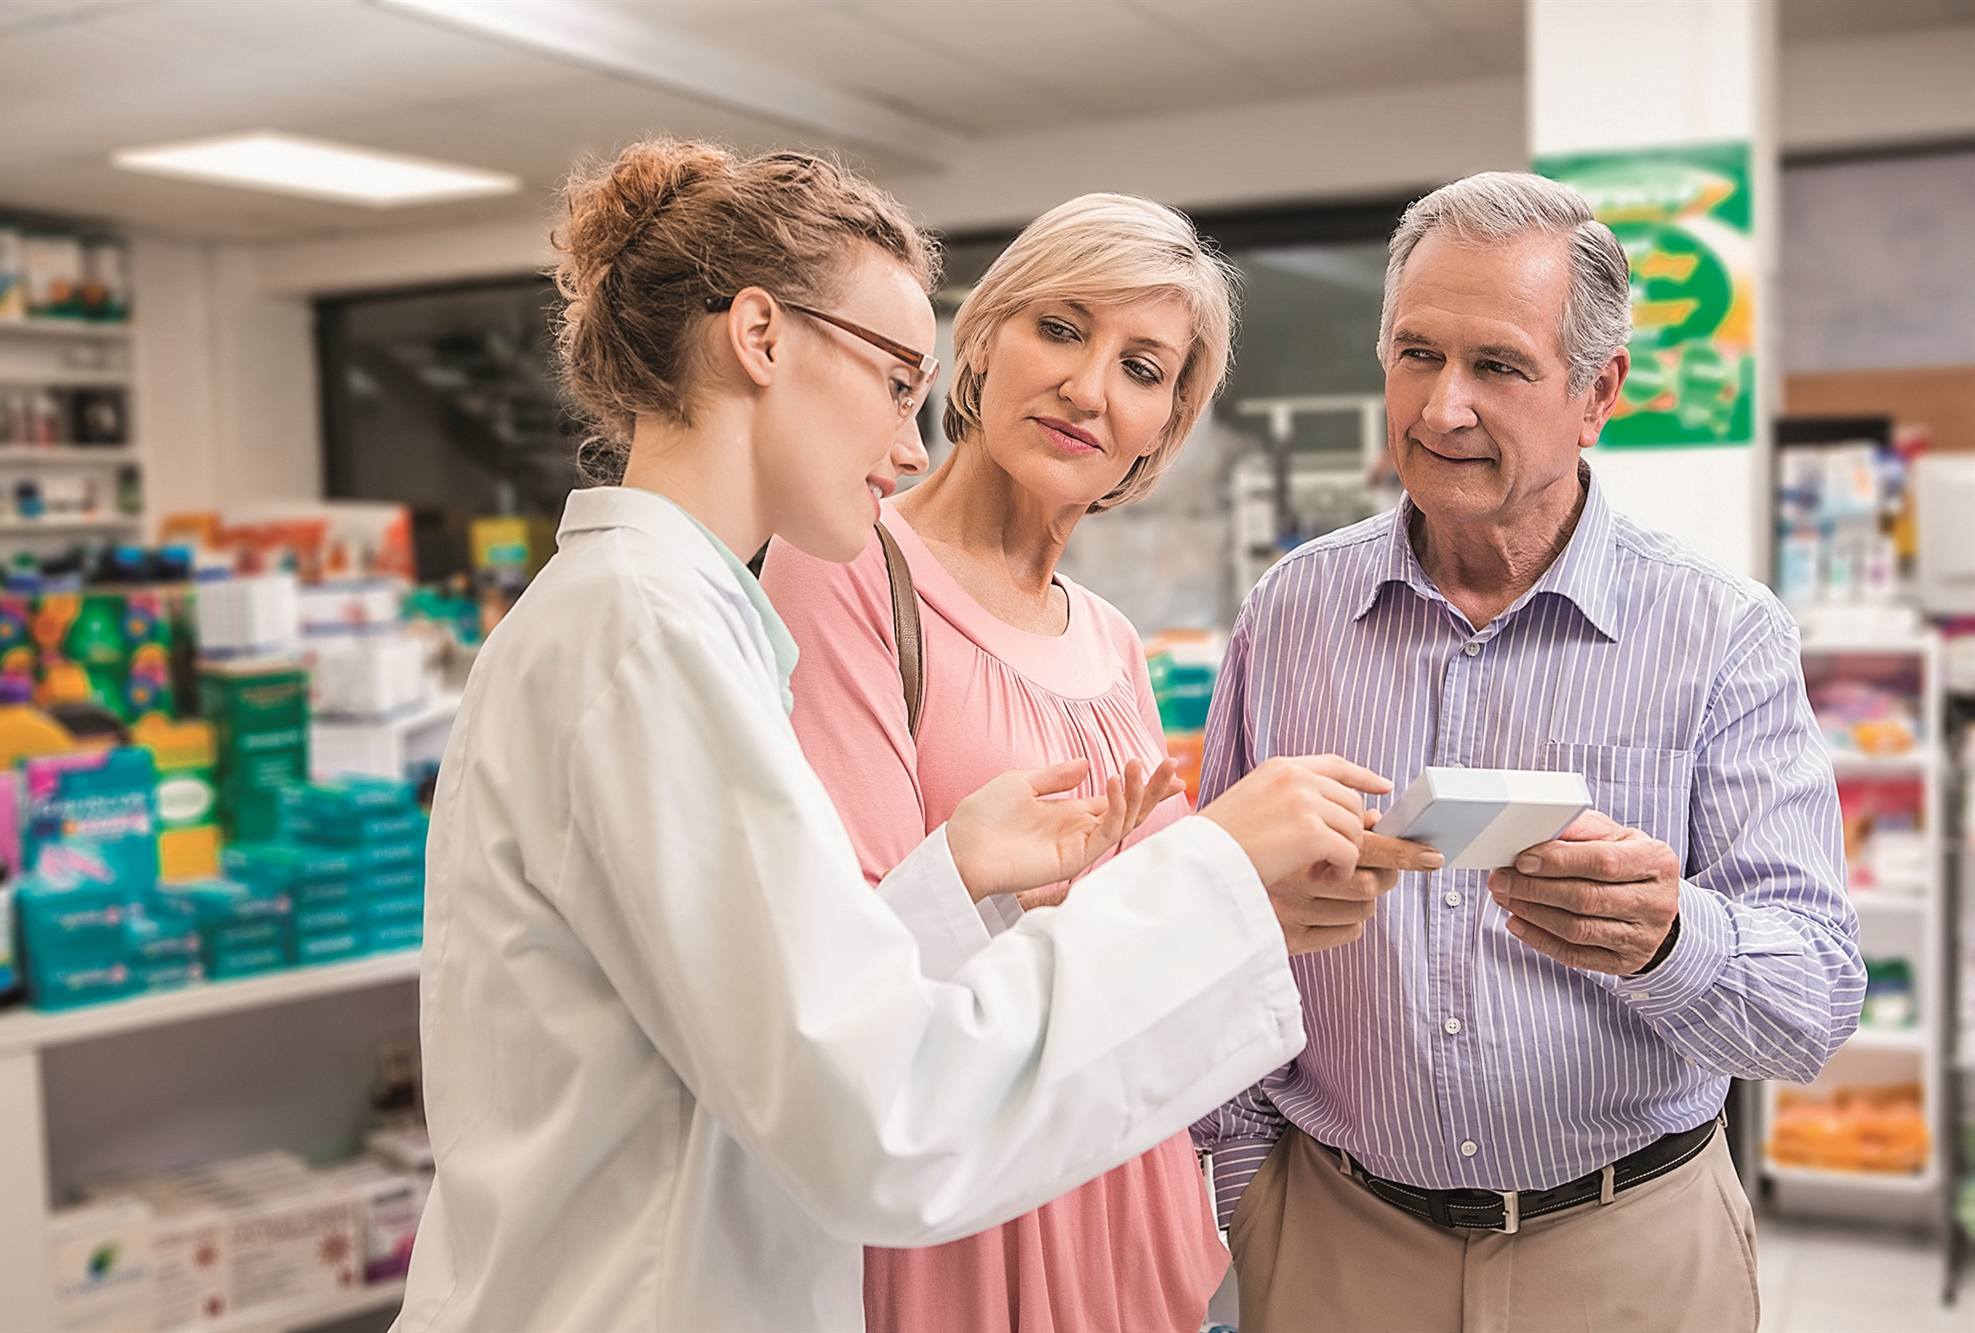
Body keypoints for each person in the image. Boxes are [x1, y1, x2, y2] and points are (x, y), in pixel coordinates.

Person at [391, 140, 1403, 1333]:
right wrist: (1212, 879)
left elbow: (785, 1008)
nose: (913, 443)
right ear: (760, 337)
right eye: (891, 380)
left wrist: (961, 876)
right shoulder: (642, 639)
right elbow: (883, 1109)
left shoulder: (666, 623)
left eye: (1139, 368)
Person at [1194, 171, 1863, 1331]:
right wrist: (1243, 1201)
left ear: (1595, 392)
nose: (1440, 407)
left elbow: (1810, 1003)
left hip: (1626, 1251)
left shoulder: (1719, 634)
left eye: (1496, 366)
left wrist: (1665, 936)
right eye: (1414, 354)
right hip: (1336, 1241)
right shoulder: (1289, 611)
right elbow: (1220, 930)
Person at [763, 194, 1442, 1332]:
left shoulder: (1109, 639)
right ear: (980, 340)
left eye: (1141, 367)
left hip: (1122, 1178)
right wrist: (1215, 857)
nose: (1089, 388)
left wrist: (1281, 898)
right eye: (1062, 328)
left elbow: (1159, 941)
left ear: (1161, 427)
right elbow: (854, 965)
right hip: (968, 1207)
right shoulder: (843, 575)